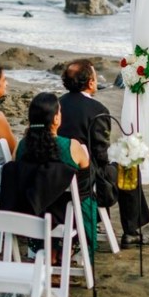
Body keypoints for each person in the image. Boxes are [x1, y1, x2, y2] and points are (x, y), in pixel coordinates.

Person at [58, 59, 149, 248]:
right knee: (129, 167)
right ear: (91, 83)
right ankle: (131, 231)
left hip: (58, 174)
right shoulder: (98, 111)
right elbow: (101, 155)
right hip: (86, 180)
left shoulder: (57, 104)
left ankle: (110, 224)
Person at [16, 92, 97, 252]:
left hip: (33, 211)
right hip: (68, 214)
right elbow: (87, 179)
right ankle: (64, 248)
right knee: (86, 193)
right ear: (55, 119)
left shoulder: (22, 146)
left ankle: (52, 251)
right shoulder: (71, 146)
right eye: (59, 111)